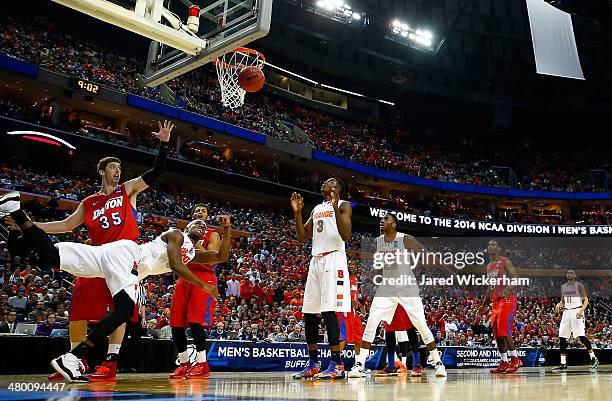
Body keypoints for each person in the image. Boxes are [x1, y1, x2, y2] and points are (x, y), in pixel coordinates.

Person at [8, 121, 175, 382]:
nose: (118, 171)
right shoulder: (89, 202)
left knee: (121, 310)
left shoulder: (127, 190)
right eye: (113, 167)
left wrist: (164, 145)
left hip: (124, 257)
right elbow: (64, 226)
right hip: (96, 258)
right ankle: (75, 360)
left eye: (120, 168)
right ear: (101, 171)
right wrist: (32, 225)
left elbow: (157, 172)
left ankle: (110, 362)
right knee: (78, 311)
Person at [1, 196, 226, 382]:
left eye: (204, 226)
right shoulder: (176, 234)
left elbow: (220, 256)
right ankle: (72, 358)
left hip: (110, 256)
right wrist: (203, 284)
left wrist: (226, 229)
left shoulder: (194, 253)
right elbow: (176, 265)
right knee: (125, 310)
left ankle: (14, 211)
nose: (201, 225)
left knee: (49, 255)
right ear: (187, 226)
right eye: (196, 222)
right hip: (127, 258)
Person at [348, 214, 447, 378]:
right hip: (387, 287)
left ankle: (438, 362)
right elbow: (375, 258)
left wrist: (449, 271)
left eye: (386, 219)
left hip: (407, 287)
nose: (382, 221)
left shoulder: (405, 239)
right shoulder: (377, 241)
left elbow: (427, 254)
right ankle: (359, 364)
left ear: (394, 225)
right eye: (381, 219)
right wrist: (353, 253)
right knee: (372, 321)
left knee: (421, 325)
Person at [291, 178, 352, 380]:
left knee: (328, 311)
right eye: (327, 181)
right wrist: (298, 214)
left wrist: (335, 207)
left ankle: (337, 364)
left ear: (337, 189)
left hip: (333, 259)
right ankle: (313, 363)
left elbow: (346, 235)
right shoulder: (317, 208)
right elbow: (302, 238)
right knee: (309, 312)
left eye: (332, 182)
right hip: (316, 260)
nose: (327, 182)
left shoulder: (344, 206)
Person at [169, 204, 230, 380]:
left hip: (204, 277)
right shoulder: (181, 235)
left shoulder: (213, 233)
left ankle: (202, 365)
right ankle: (184, 364)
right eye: (196, 211)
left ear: (207, 216)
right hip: (184, 277)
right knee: (176, 323)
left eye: (203, 211)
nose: (199, 213)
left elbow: (212, 258)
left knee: (196, 322)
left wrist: (194, 240)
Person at [481, 240, 522, 374]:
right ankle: (504, 361)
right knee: (497, 333)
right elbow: (490, 287)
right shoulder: (489, 266)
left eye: (494, 244)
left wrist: (506, 290)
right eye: (489, 244)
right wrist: (483, 304)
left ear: (498, 248)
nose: (491, 246)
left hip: (507, 299)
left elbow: (516, 279)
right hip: (495, 302)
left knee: (504, 329)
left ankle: (515, 359)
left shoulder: (505, 261)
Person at [553, 269, 598, 370]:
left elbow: (586, 300)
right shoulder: (563, 287)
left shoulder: (579, 285)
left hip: (577, 310)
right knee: (562, 337)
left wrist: (581, 311)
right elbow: (562, 301)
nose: (569, 274)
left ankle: (593, 358)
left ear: (575, 275)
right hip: (566, 312)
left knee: (581, 336)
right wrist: (559, 304)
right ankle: (563, 363)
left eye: (571, 273)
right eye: (568, 273)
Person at [336, 259, 365, 368]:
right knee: (343, 337)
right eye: (349, 264)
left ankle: (358, 364)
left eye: (353, 264)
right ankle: (336, 363)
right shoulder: (344, 277)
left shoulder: (356, 279)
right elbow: (339, 292)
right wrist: (348, 301)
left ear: (356, 267)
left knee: (359, 336)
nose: (351, 266)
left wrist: (361, 306)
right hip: (344, 310)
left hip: (353, 311)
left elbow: (354, 297)